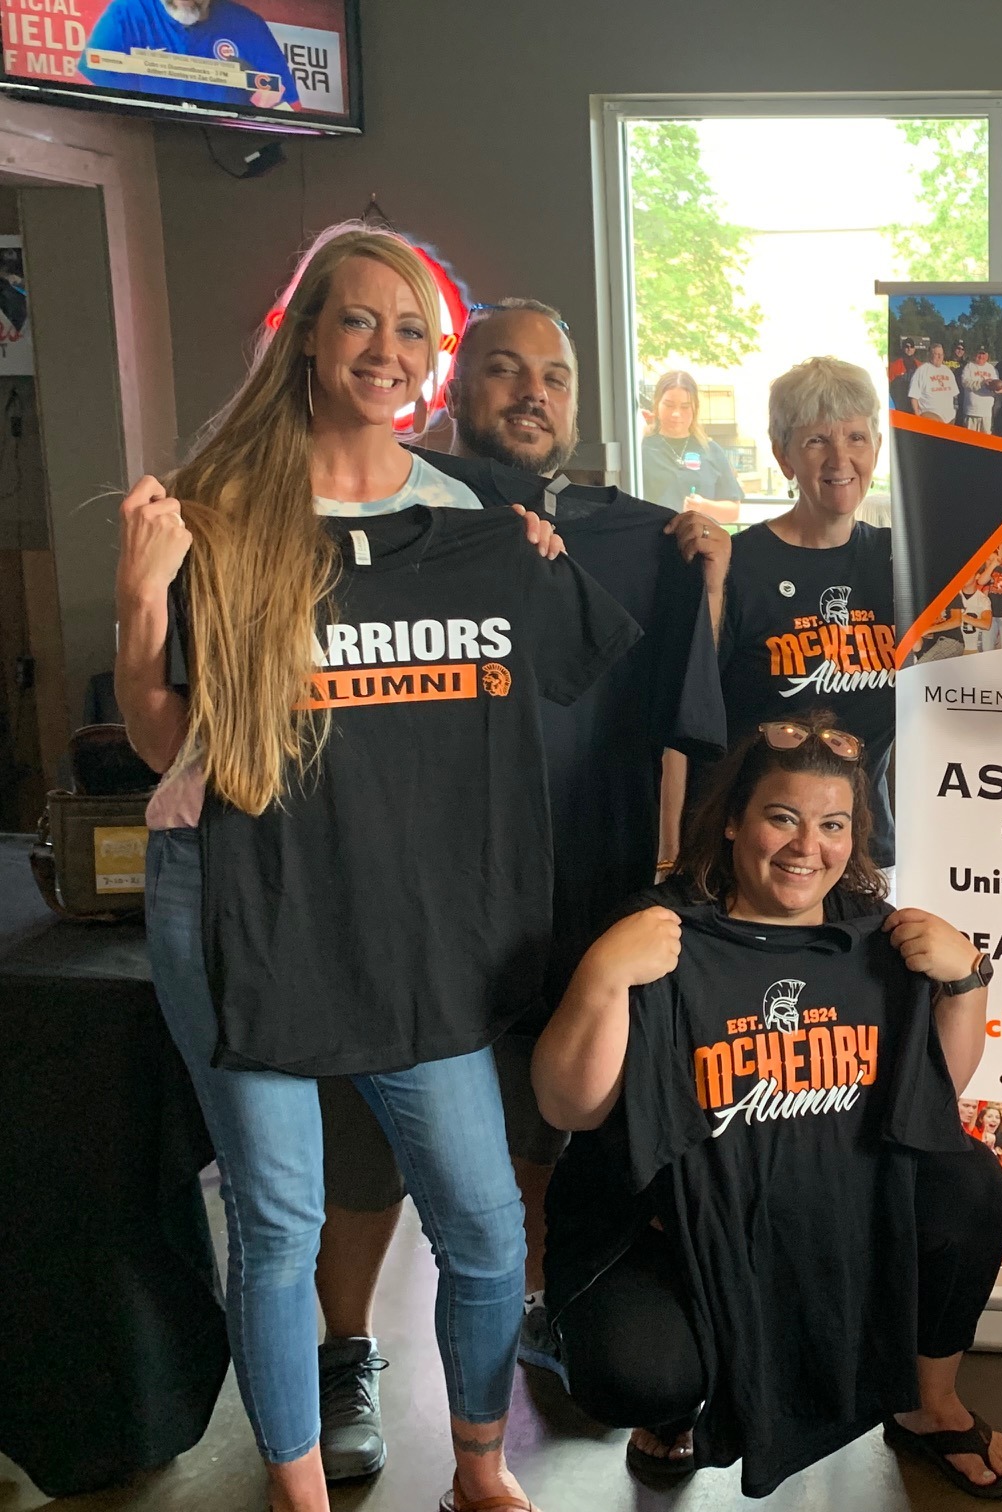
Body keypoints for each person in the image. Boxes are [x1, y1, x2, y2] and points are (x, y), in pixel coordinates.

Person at [114, 225, 621, 1512]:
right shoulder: (221, 516)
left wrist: (547, 567)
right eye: (359, 322)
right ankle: (298, 1492)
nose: (386, 351)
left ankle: (474, 1464)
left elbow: (559, 673)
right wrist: (140, 610)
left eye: (411, 330)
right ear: (307, 339)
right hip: (247, 901)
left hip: (413, 907)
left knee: (490, 1225)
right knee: (279, 1221)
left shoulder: (472, 522)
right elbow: (173, 744)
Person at [300, 295, 730, 1482]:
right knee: (365, 1154)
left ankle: (531, 1304)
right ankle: (348, 1353)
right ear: (456, 386)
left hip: (569, 896)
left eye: (554, 373)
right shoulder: (380, 509)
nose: (530, 391)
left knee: (542, 1131)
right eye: (502, 369)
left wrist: (664, 891)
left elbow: (683, 737)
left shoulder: (650, 541)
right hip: (404, 900)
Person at [530, 714, 1002, 1497]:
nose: (807, 848)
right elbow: (570, 1106)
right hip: (671, 1223)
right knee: (636, 1371)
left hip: (820, 1207)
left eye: (832, 825)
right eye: (782, 818)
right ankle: (669, 1402)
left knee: (969, 1186)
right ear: (732, 821)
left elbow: (928, 1105)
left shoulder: (872, 937)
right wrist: (601, 978)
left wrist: (965, 986)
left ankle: (930, 1404)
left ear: (856, 836)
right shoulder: (663, 931)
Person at [707, 357, 900, 868]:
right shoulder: (736, 567)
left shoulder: (899, 565)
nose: (840, 459)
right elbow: (690, 721)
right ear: (783, 455)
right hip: (761, 857)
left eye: (856, 437)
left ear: (877, 448)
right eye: (817, 441)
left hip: (867, 851)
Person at [81, 0, 298, 110]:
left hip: (227, 154)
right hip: (142, 147)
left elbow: (289, 108)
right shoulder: (126, 11)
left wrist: (256, 89)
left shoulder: (248, 25)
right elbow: (90, 96)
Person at [637, 370, 745, 521]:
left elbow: (733, 511)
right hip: (650, 541)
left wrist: (704, 506)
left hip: (697, 542)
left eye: (685, 406)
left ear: (696, 408)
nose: (676, 413)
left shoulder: (710, 450)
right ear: (657, 404)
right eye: (668, 405)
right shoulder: (640, 446)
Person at [909, 341, 959, 424]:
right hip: (930, 417)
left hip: (949, 419)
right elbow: (914, 396)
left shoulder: (947, 371)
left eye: (941, 354)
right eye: (936, 354)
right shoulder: (921, 371)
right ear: (930, 355)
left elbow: (954, 395)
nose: (939, 357)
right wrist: (917, 415)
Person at [961, 346, 1001, 434]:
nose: (981, 356)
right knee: (969, 440)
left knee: (986, 441)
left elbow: (997, 386)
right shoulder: (969, 367)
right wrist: (982, 383)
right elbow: (965, 383)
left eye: (983, 354)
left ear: (987, 355)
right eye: (979, 353)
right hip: (971, 411)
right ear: (975, 354)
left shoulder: (992, 369)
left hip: (986, 412)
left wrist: (995, 387)